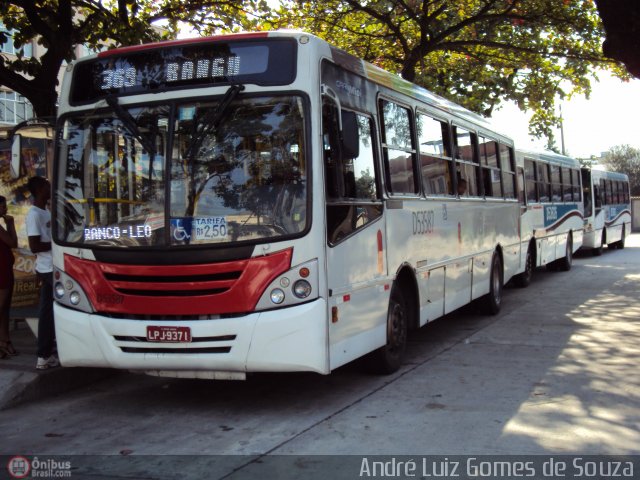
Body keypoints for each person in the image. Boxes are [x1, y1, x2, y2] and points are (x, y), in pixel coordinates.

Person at [26, 176, 59, 370]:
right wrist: (57, 244)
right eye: (47, 186)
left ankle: (45, 353)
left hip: (50, 266)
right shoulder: (34, 214)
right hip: (47, 268)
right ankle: (44, 352)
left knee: (48, 311)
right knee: (50, 311)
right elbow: (34, 245)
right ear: (39, 189)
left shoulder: (45, 211)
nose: (50, 189)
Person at [0, 195, 18, 359]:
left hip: (5, 268)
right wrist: (11, 224)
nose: (5, 209)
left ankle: (5, 340)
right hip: (1, 272)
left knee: (5, 308)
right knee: (1, 307)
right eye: (3, 206)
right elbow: (13, 242)